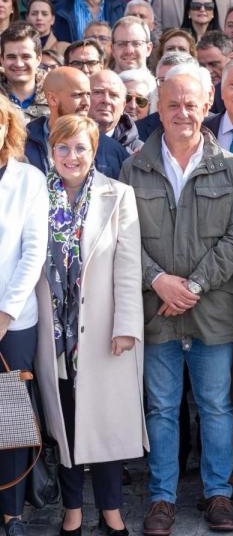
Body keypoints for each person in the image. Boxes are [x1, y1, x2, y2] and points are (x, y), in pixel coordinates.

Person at [119, 62, 233, 536]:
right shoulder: (135, 167)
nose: (181, 112)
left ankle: (218, 494)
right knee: (161, 406)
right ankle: (162, 498)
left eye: (190, 104)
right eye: (172, 104)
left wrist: (192, 286)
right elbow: (124, 238)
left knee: (216, 405)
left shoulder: (232, 168)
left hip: (211, 309)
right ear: (158, 107)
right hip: (156, 310)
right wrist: (158, 282)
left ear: (207, 105)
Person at [34, 114, 143, 536]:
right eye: (63, 147)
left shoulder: (118, 195)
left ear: (94, 150)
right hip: (52, 331)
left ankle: (112, 510)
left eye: (80, 147)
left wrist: (126, 325)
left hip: (102, 329)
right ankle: (73, 509)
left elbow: (128, 266)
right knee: (66, 423)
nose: (71, 155)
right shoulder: (35, 196)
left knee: (107, 422)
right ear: (51, 152)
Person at [0, 96, 47, 536]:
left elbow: (33, 253)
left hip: (13, 321)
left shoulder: (29, 180)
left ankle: (12, 512)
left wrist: (4, 313)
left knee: (9, 417)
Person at [24, 66, 129, 179]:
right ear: (53, 99)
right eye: (77, 95)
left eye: (88, 94)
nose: (86, 103)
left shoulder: (113, 151)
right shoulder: (22, 143)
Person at [88, 68, 143, 153]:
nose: (106, 100)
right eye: (98, 92)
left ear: (123, 106)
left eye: (113, 95)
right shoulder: (65, 138)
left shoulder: (137, 151)